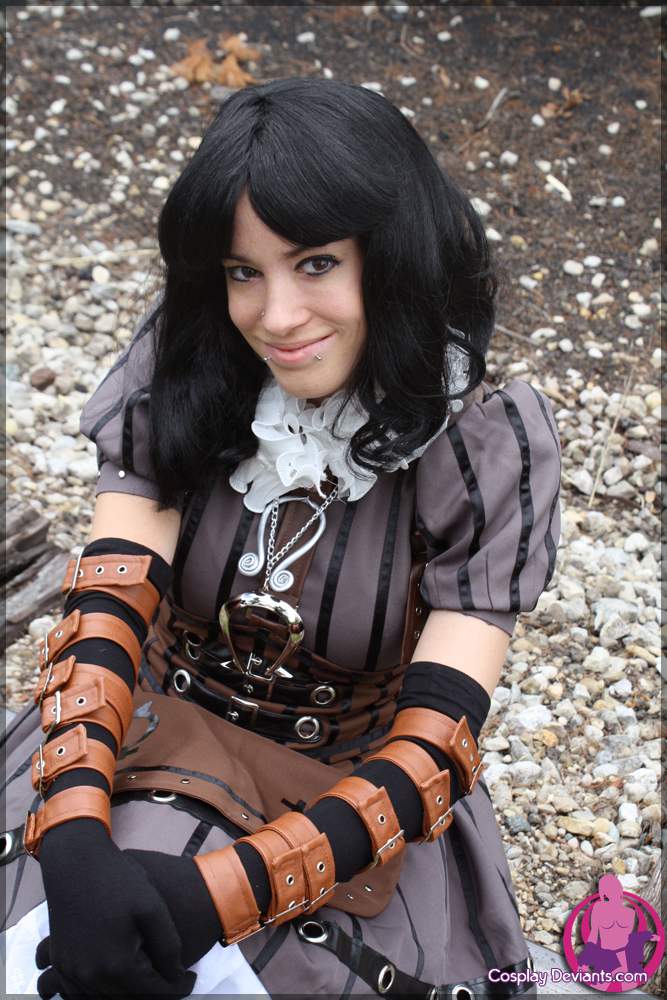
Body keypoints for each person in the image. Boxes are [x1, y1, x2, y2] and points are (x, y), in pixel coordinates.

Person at [2, 77, 562, 998]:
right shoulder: (187, 364)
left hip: (348, 814)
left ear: (392, 254)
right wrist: (71, 836)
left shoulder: (481, 440)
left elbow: (436, 743)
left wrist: (217, 895)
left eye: (314, 263)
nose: (276, 317)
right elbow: (103, 616)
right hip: (127, 739)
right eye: (242, 272)